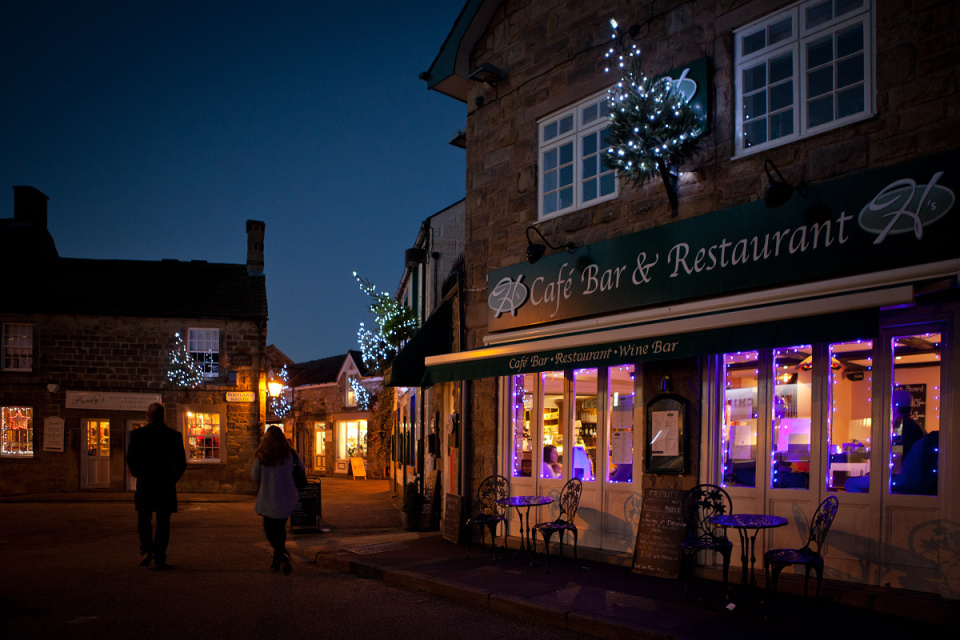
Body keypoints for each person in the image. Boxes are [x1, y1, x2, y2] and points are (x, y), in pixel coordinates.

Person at [125, 402, 187, 570]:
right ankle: (160, 556)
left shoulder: (138, 435)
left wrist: (139, 474)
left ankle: (146, 549)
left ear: (148, 416)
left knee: (143, 518)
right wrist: (172, 478)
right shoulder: (173, 436)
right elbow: (181, 463)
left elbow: (130, 458)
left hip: (146, 483)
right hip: (165, 484)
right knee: (163, 521)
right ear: (163, 416)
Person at [252, 426, 305, 574]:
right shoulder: (291, 454)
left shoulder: (262, 455)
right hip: (287, 498)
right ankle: (277, 560)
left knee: (269, 530)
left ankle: (282, 554)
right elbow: (302, 470)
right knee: (280, 529)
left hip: (269, 499)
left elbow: (255, 476)